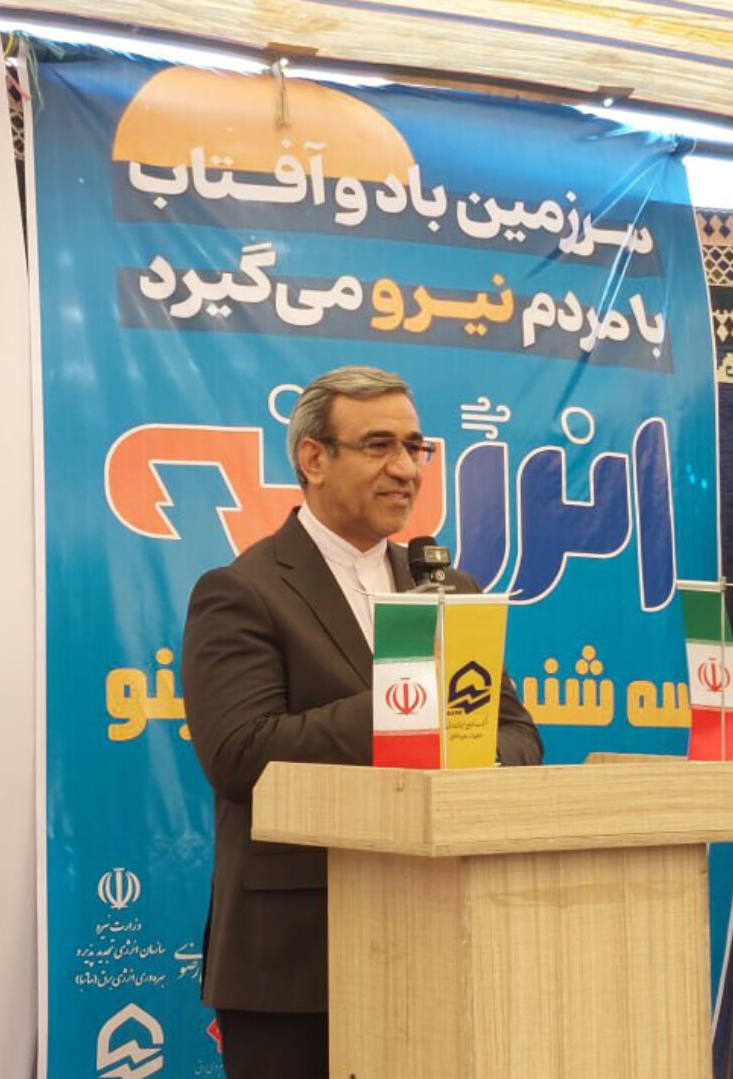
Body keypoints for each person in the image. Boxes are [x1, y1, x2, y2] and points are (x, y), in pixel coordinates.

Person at [181, 365, 543, 1079]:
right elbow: (241, 753)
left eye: (416, 447)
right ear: (313, 458)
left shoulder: (450, 587)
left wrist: (471, 752)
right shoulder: (242, 591)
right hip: (295, 959)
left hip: (441, 935)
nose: (406, 468)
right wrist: (406, 711)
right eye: (379, 445)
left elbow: (517, 735)